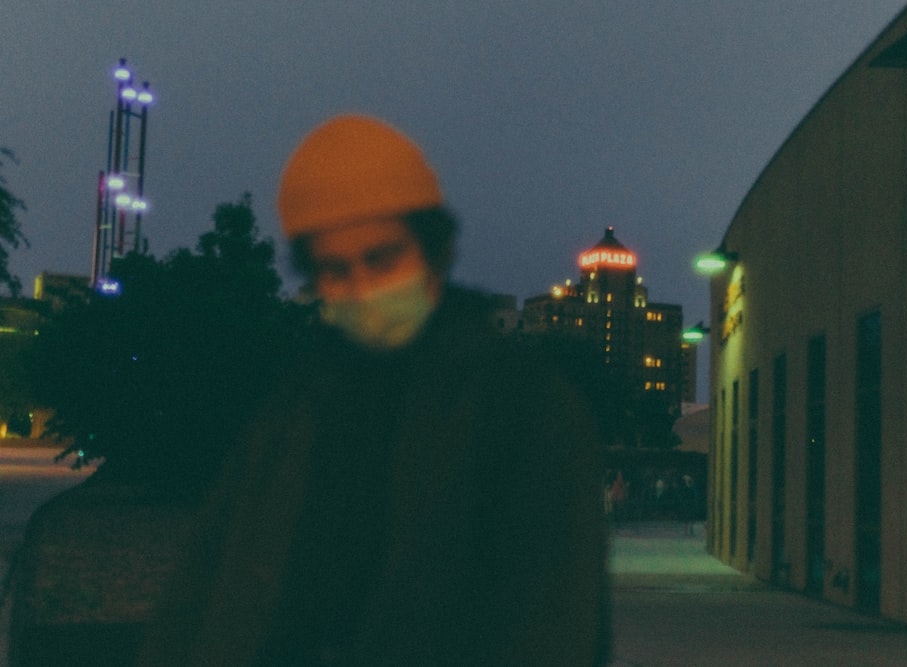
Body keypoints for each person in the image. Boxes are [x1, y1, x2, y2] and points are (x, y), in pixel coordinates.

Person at [138, 114, 609, 666]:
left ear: (434, 254)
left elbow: (555, 628)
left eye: (381, 258)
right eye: (336, 268)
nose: (362, 287)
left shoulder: (526, 408)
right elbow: (205, 595)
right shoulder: (295, 407)